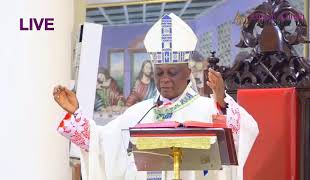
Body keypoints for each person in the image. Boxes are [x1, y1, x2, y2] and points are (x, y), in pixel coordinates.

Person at [53, 13, 258, 180]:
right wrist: (76, 114)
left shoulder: (209, 109)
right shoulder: (139, 113)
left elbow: (245, 131)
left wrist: (222, 101)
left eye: (172, 72)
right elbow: (102, 144)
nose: (165, 80)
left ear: (187, 72)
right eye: (160, 73)